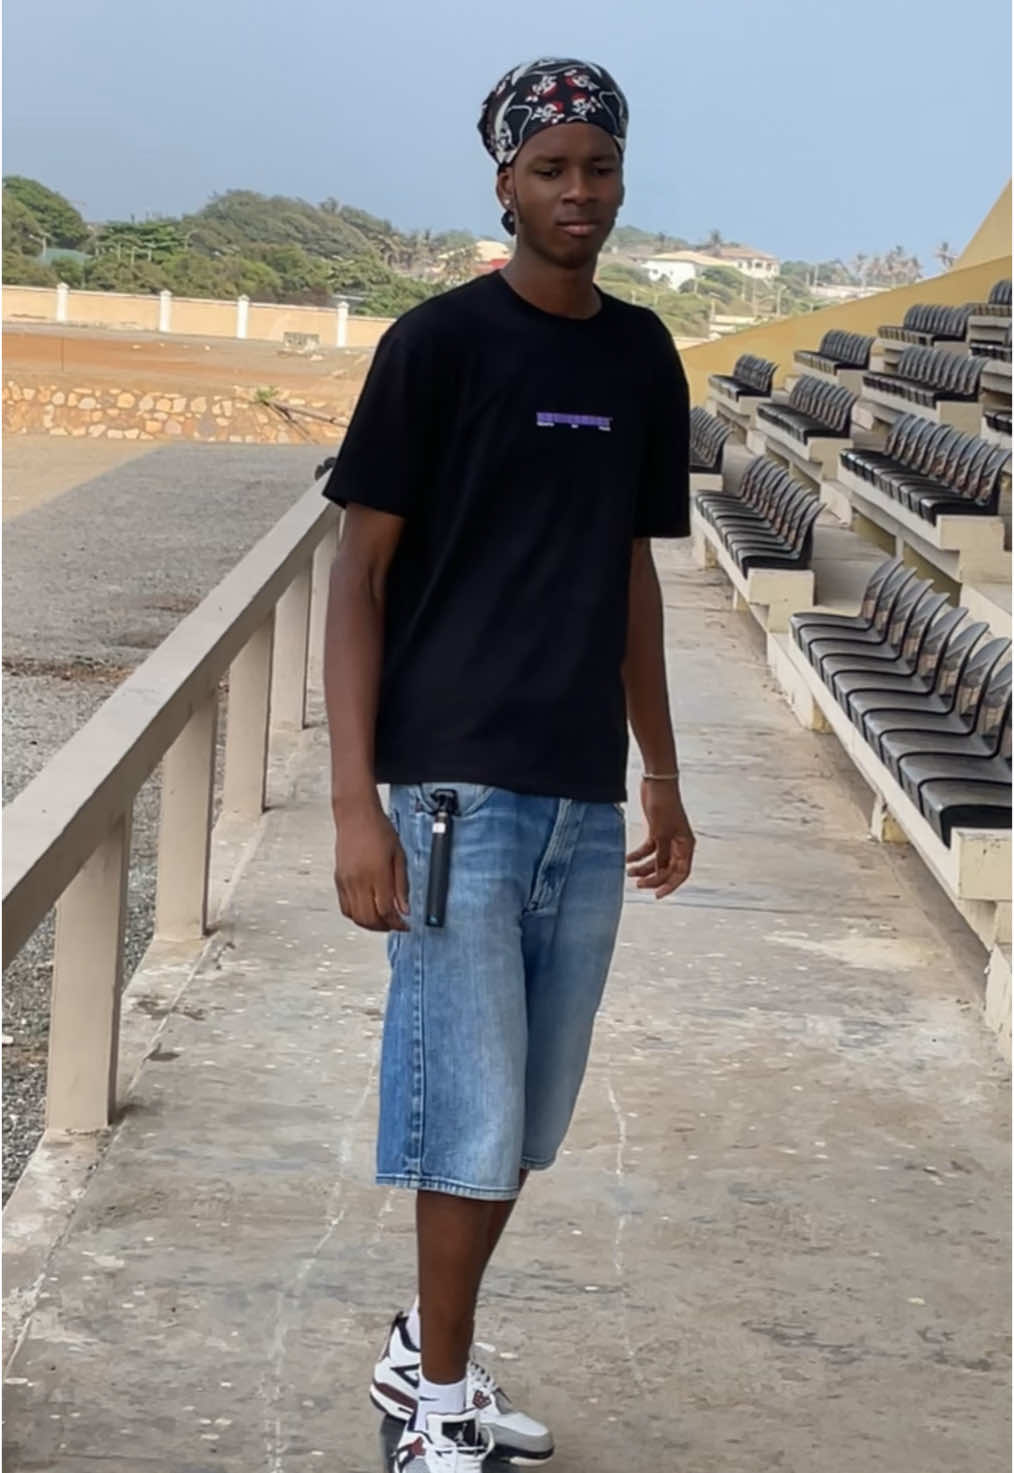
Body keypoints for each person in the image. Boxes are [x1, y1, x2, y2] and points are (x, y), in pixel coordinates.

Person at [322, 55, 696, 1472]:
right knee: (466, 1116)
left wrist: (661, 770)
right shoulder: (437, 346)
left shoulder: (640, 355)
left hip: (578, 798)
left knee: (526, 1115)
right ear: (505, 183)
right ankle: (434, 1403)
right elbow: (357, 578)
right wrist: (355, 807)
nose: (577, 192)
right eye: (551, 170)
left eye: (598, 167)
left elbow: (632, 573)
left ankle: (424, 1350)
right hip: (449, 798)